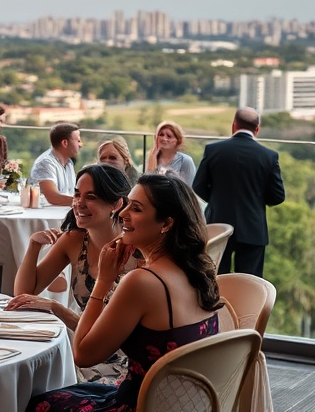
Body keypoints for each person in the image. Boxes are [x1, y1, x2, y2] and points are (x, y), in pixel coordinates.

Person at [25, 174, 222, 412]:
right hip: (179, 403)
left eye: (136, 208)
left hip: (140, 404)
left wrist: (104, 281)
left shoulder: (142, 281)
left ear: (167, 224)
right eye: (127, 203)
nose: (123, 213)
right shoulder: (198, 272)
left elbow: (83, 354)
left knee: (37, 401)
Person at [8, 164, 137, 385]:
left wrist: (56, 308)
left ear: (116, 204)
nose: (79, 203)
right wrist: (33, 247)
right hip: (81, 351)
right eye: (77, 194)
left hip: (124, 360)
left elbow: (108, 337)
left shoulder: (135, 251)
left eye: (91, 197)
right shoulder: (74, 241)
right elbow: (23, 293)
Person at [193, 108, 286, 277]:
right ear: (257, 130)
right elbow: (278, 196)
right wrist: (256, 200)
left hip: (218, 226)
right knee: (250, 285)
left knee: (216, 280)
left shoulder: (213, 150)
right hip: (253, 228)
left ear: (233, 125)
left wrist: (215, 199)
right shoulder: (269, 156)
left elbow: (198, 185)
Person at [28, 122, 82, 206]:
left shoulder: (69, 163)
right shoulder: (45, 163)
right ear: (65, 143)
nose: (81, 145)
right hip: (47, 215)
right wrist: (85, 203)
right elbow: (53, 197)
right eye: (78, 141)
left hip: (64, 212)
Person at [145, 120, 196, 185]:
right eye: (161, 135)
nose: (164, 138)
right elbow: (147, 183)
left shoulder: (185, 161)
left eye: (169, 136)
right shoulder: (152, 157)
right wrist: (154, 154)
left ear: (178, 140)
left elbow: (188, 188)